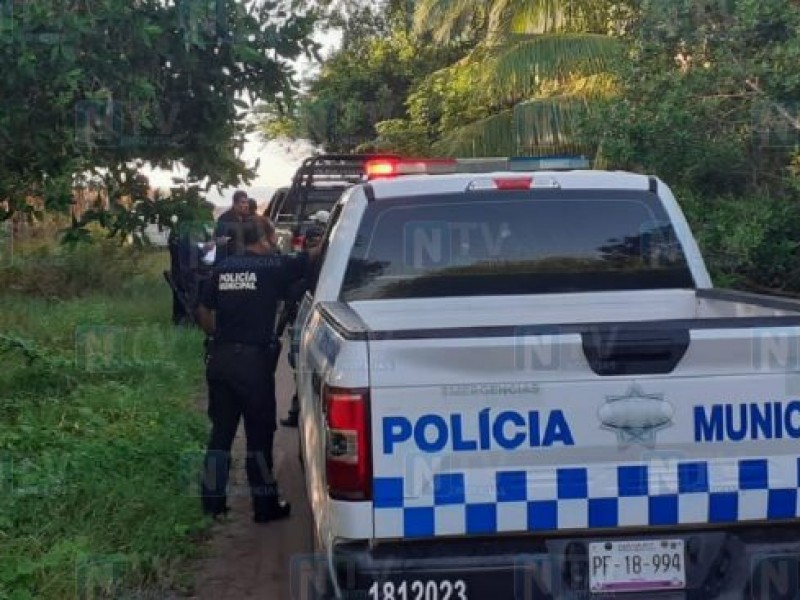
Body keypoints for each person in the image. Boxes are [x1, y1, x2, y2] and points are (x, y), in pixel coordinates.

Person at [195, 216, 321, 522]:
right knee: (259, 437)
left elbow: (202, 311)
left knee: (221, 434)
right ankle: (265, 507)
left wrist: (219, 335)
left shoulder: (222, 269)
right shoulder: (272, 267)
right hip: (253, 365)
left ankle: (212, 504)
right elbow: (311, 258)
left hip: (221, 359)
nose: (276, 244)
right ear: (263, 239)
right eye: (273, 239)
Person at [279, 210, 329, 428]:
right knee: (299, 367)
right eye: (311, 242)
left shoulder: (325, 270)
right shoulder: (300, 269)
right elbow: (288, 303)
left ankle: (300, 409)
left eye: (318, 242)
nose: (313, 246)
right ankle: (297, 409)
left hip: (318, 325)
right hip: (301, 324)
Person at [213, 190, 251, 262]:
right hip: (228, 260)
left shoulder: (248, 218)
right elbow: (217, 240)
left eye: (247, 202)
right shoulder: (224, 218)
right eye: (243, 202)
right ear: (235, 204)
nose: (246, 205)